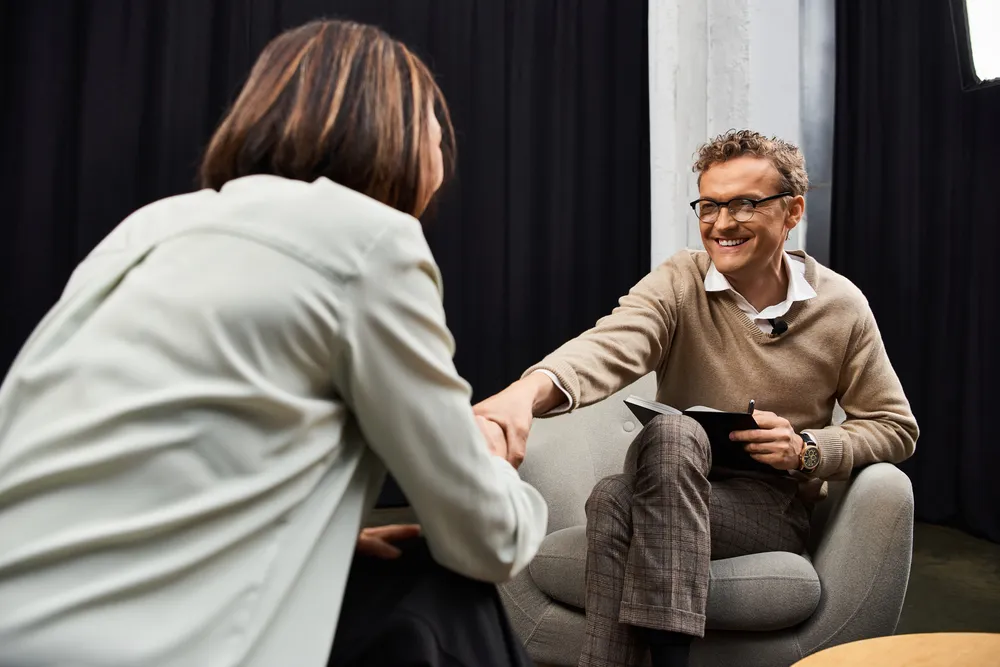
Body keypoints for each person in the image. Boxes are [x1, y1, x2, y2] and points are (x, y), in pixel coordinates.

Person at [0, 19, 545, 667]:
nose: (444, 159)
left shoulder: (148, 227)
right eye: (436, 129)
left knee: (381, 575)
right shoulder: (368, 240)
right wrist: (486, 451)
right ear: (393, 130)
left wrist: (322, 541)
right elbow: (489, 538)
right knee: (443, 582)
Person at [475, 129, 919, 667]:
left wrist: (806, 449)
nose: (721, 223)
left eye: (744, 204)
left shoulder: (841, 306)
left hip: (768, 505)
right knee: (673, 432)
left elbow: (895, 426)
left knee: (613, 499)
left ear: (792, 211)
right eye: (709, 205)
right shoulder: (679, 281)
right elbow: (613, 342)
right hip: (666, 476)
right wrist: (526, 393)